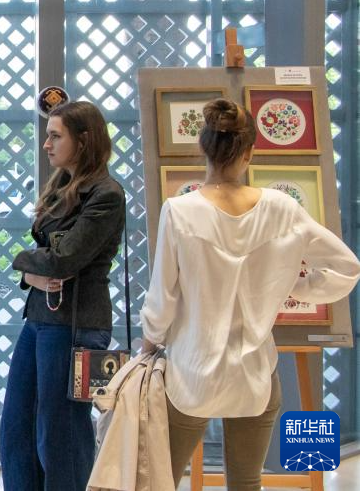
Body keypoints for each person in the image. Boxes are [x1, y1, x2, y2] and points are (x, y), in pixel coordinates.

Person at [140, 98, 360, 490]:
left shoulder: (180, 211)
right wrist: (291, 285)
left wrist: (150, 340)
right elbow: (346, 267)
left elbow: (163, 297)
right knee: (246, 481)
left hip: (191, 370)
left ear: (202, 147)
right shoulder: (282, 209)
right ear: (250, 152)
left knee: (161, 479)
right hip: (255, 371)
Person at [2, 101, 126, 490]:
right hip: (41, 319)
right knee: (18, 428)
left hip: (76, 324)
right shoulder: (61, 187)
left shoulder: (106, 194)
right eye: (47, 135)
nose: (46, 144)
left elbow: (64, 258)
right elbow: (52, 260)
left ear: (84, 141)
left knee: (61, 436)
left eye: (56, 136)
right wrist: (31, 274)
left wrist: (24, 262)